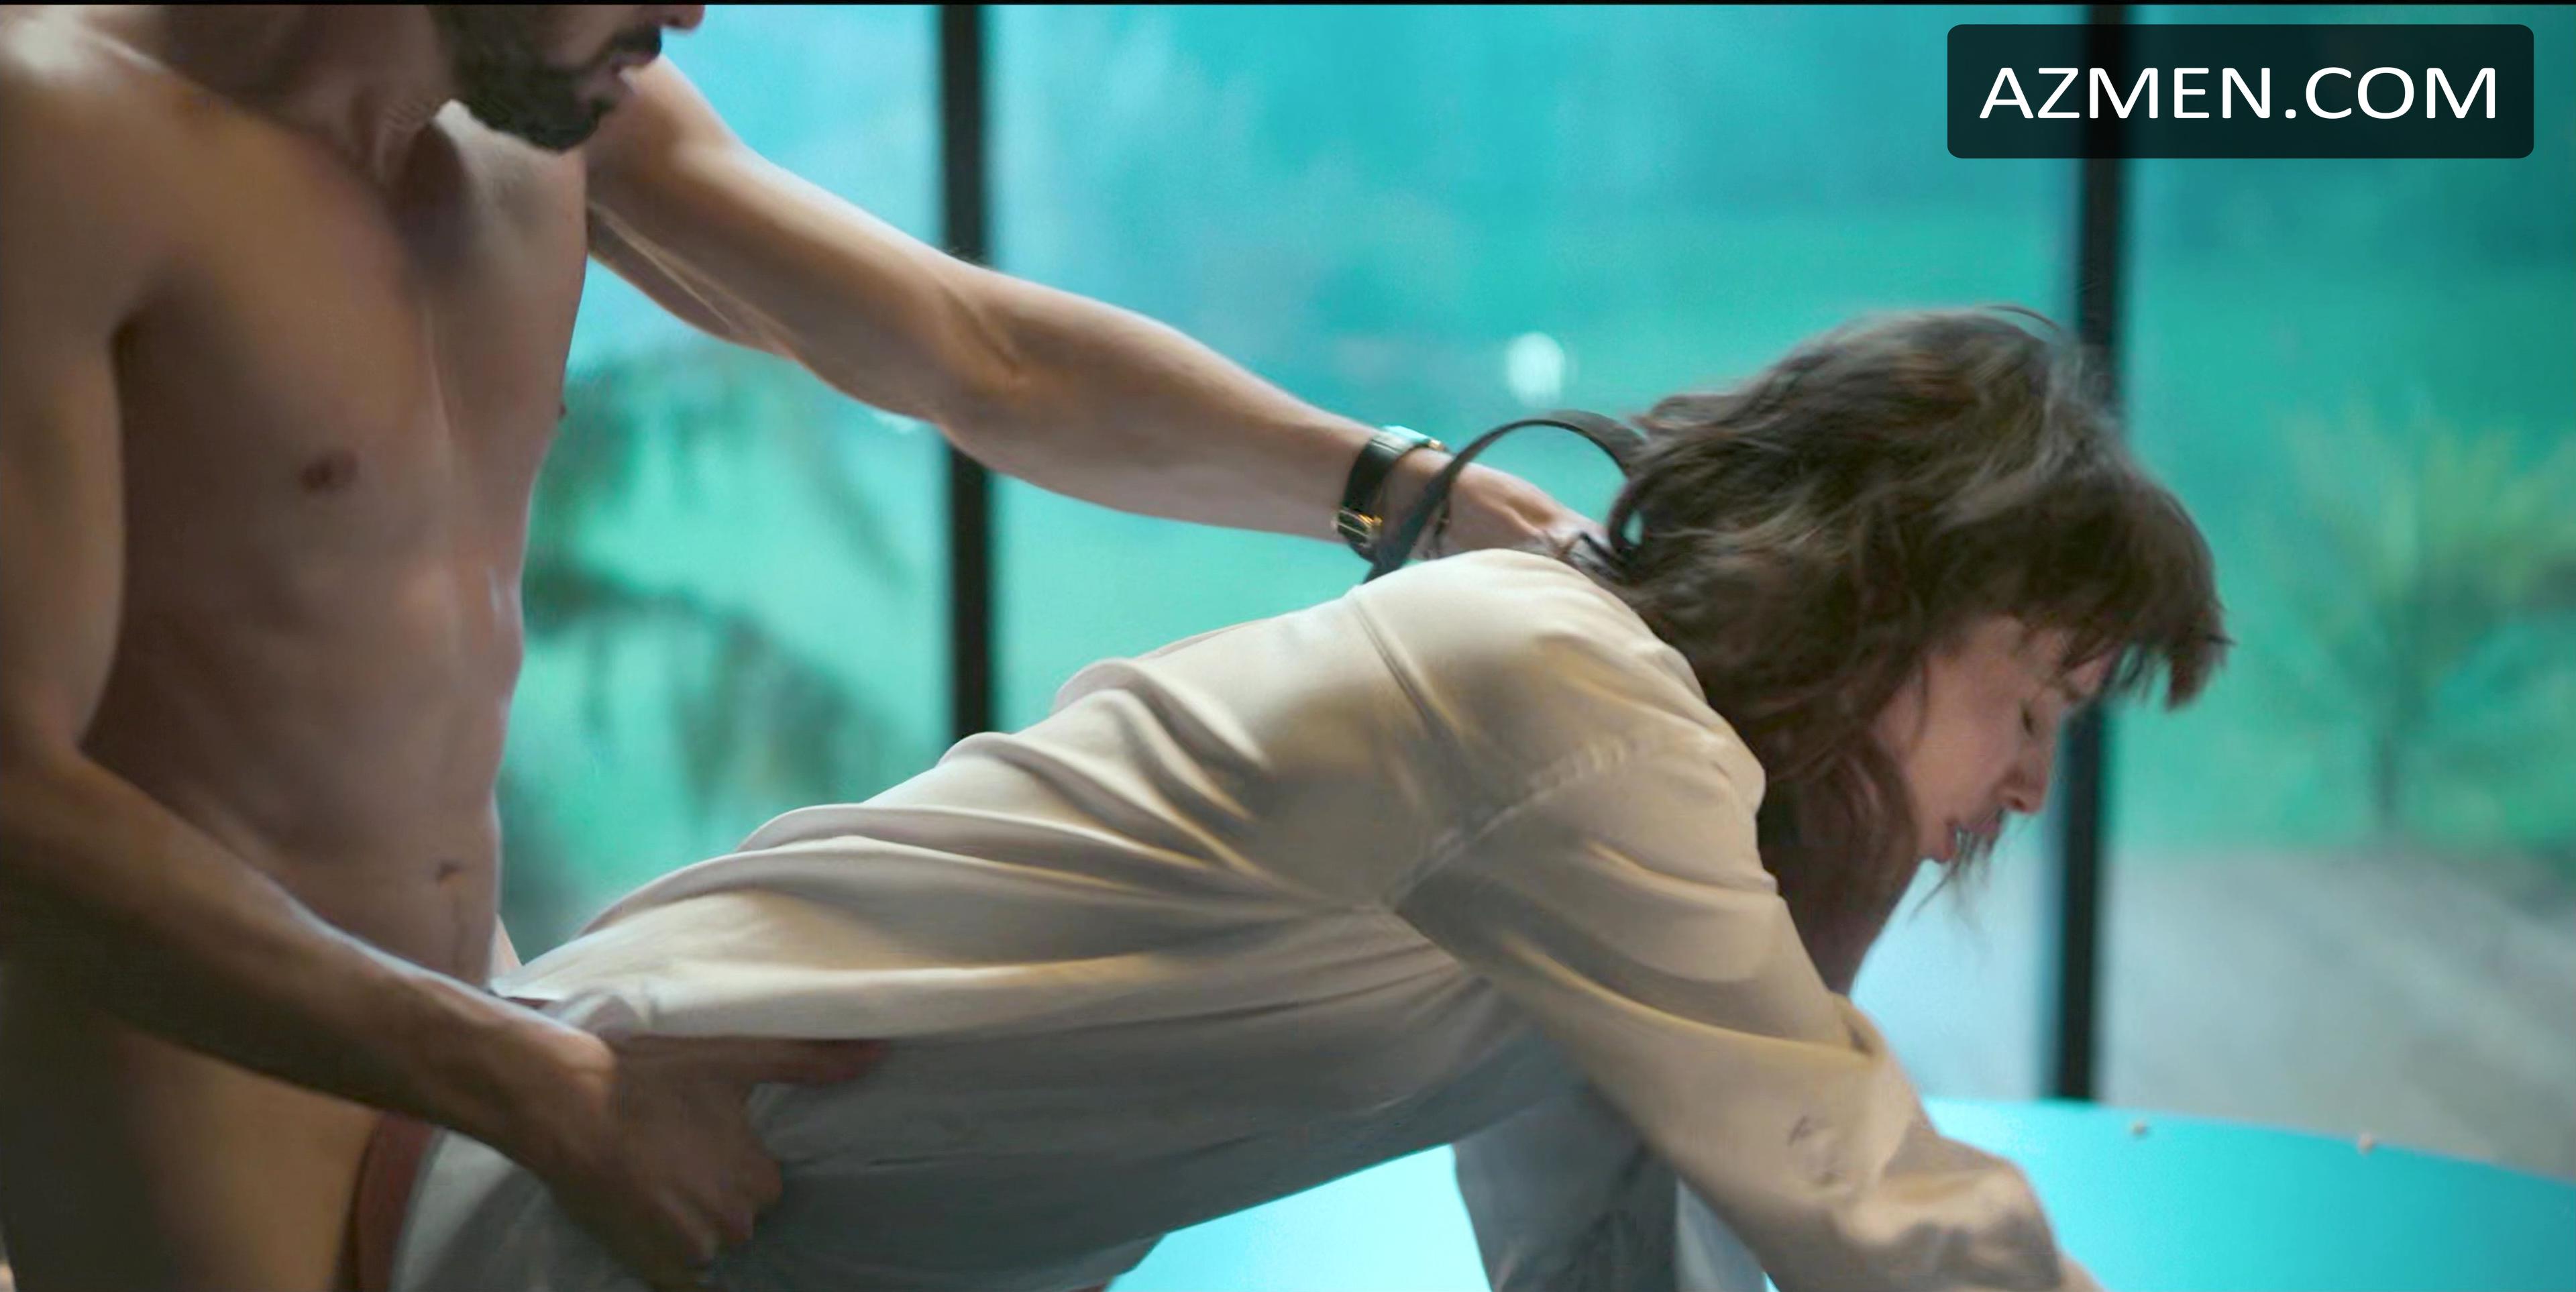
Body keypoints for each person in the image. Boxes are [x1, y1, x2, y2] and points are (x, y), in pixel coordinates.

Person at [0, 7, 1582, 1291]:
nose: (692, 11)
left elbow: (981, 356)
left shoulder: (549, 125)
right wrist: (529, 1082)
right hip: (214, 1120)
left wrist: (1403, 492)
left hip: (503, 1034)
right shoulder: (62, 137)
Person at [368, 307, 2231, 1292]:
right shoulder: (1572, 705)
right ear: (1884, 597)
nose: (2030, 782)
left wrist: (1845, 876)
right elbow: (1863, 1202)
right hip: (606, 1205)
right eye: (2034, 704)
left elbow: (1613, 1243)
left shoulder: (1636, 798)